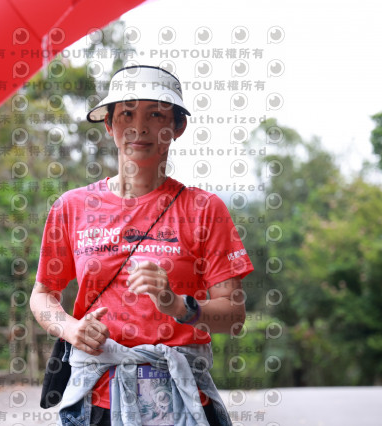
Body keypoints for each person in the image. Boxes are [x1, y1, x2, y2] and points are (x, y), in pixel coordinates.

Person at [30, 64, 254, 425]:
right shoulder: (72, 207)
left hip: (181, 402)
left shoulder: (204, 209)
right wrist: (71, 329)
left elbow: (234, 316)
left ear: (178, 127)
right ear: (109, 124)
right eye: (126, 114)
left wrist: (178, 305)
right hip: (94, 403)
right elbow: (42, 295)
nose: (139, 127)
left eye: (156, 114)